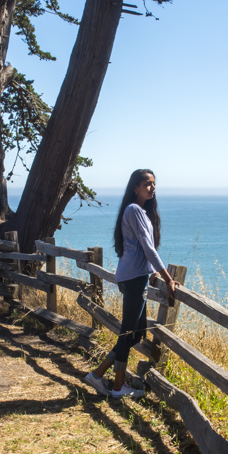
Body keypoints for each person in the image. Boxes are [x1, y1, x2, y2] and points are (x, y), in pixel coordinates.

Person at [84, 169, 179, 398]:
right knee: (128, 333)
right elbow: (148, 248)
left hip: (137, 278)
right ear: (135, 187)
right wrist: (167, 278)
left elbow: (143, 251)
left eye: (154, 184)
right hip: (133, 280)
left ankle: (97, 375)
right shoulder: (134, 210)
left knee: (136, 335)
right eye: (147, 183)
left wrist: (152, 274)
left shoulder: (142, 212)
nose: (152, 187)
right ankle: (117, 387)